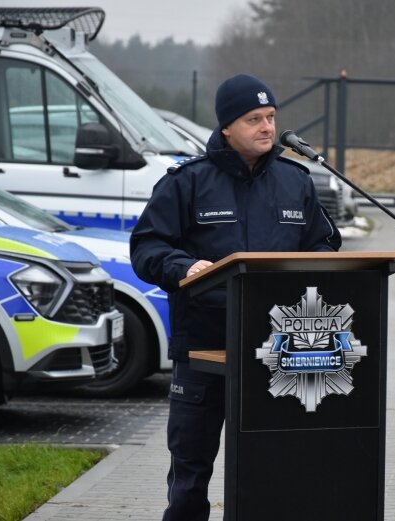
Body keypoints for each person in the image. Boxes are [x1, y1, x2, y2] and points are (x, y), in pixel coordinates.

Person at [130, 73, 341, 521]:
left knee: (271, 476)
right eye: (254, 119)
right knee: (189, 480)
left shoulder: (295, 181)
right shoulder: (187, 182)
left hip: (279, 352)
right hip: (205, 350)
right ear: (227, 126)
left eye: (270, 117)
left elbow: (324, 243)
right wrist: (183, 267)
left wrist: (313, 268)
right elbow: (147, 248)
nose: (267, 127)